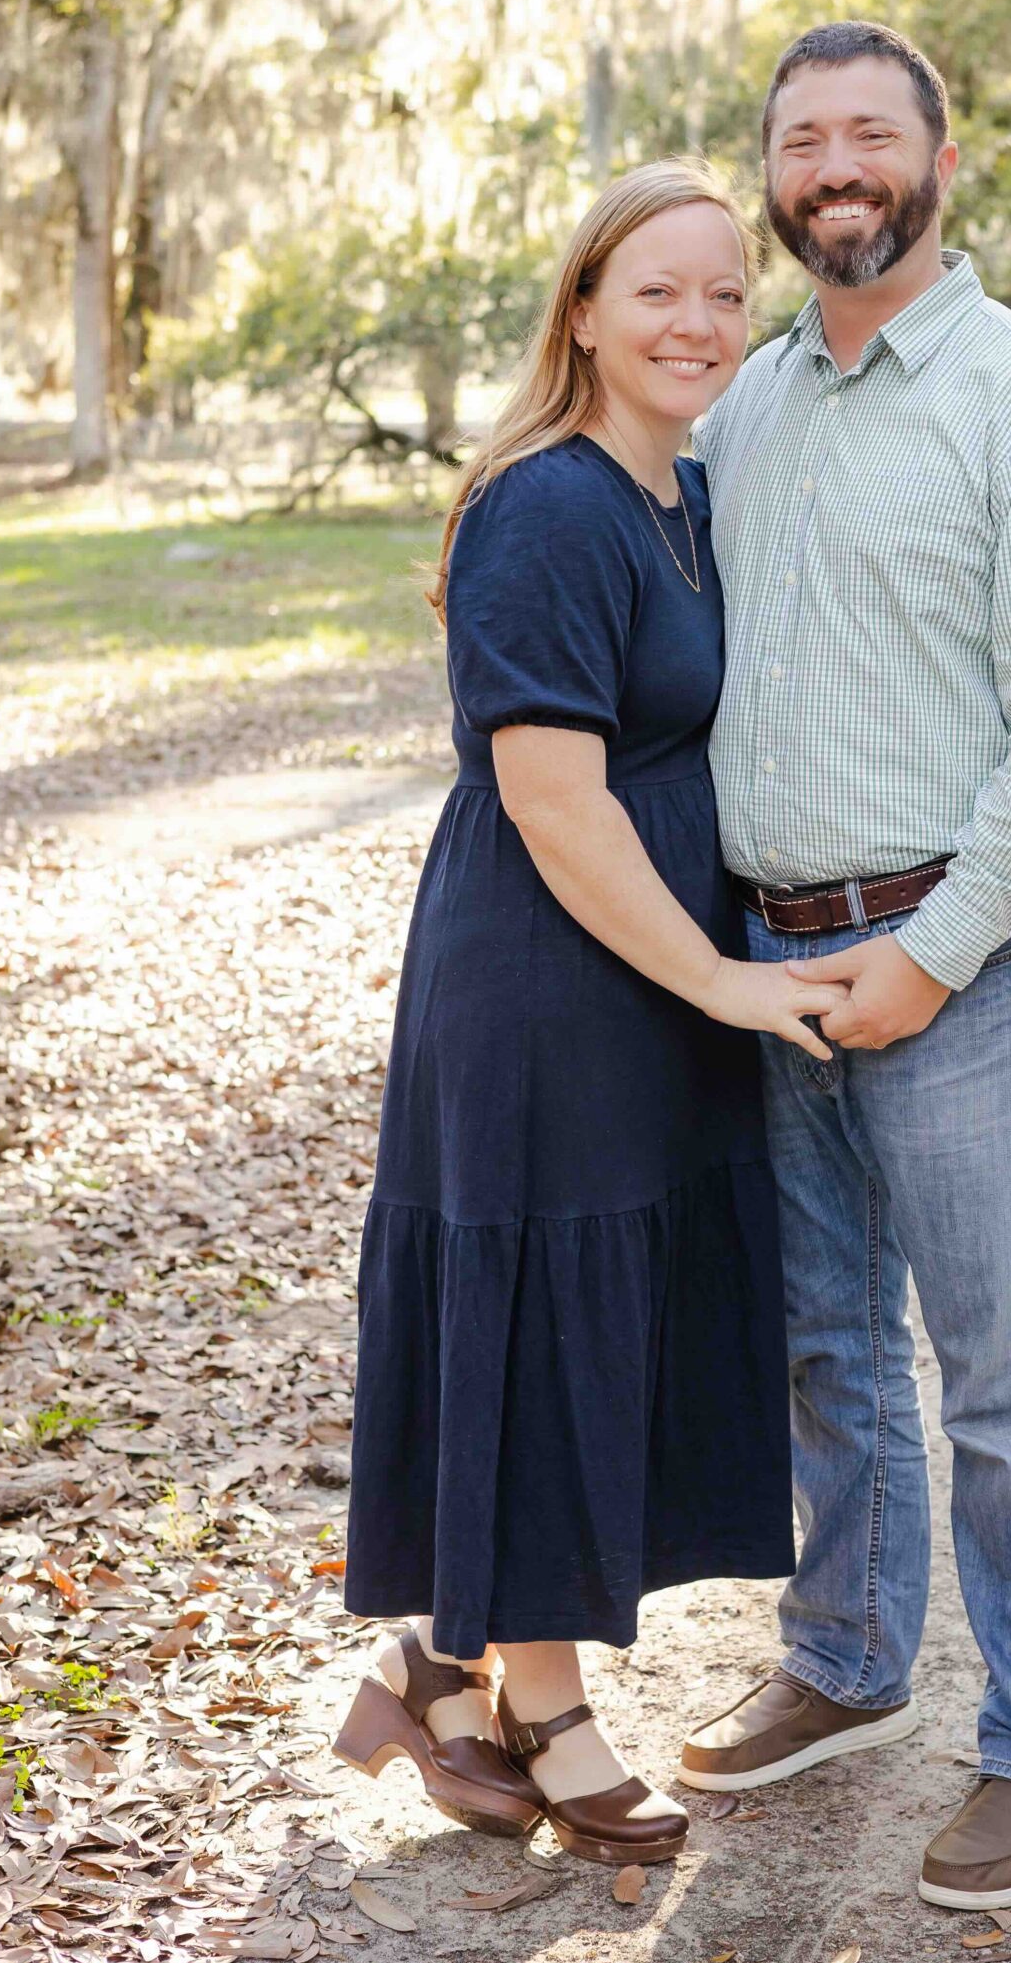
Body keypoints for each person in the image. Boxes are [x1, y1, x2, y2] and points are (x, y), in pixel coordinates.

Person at [679, 22, 1011, 1912]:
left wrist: (933, 957)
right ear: (778, 181)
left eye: (871, 132)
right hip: (768, 969)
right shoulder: (751, 403)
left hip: (964, 960)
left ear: (938, 160)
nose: (837, 165)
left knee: (1010, 1378)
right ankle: (850, 1659)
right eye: (804, 141)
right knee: (825, 1352)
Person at [335, 161, 835, 1867]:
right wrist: (723, 978)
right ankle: (539, 1703)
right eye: (657, 292)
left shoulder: (672, 491)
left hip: (641, 971)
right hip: (555, 973)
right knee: (549, 1295)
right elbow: (552, 797)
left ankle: (447, 1670)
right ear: (581, 310)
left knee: (587, 1295)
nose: (697, 322)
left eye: (722, 293)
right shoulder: (548, 504)